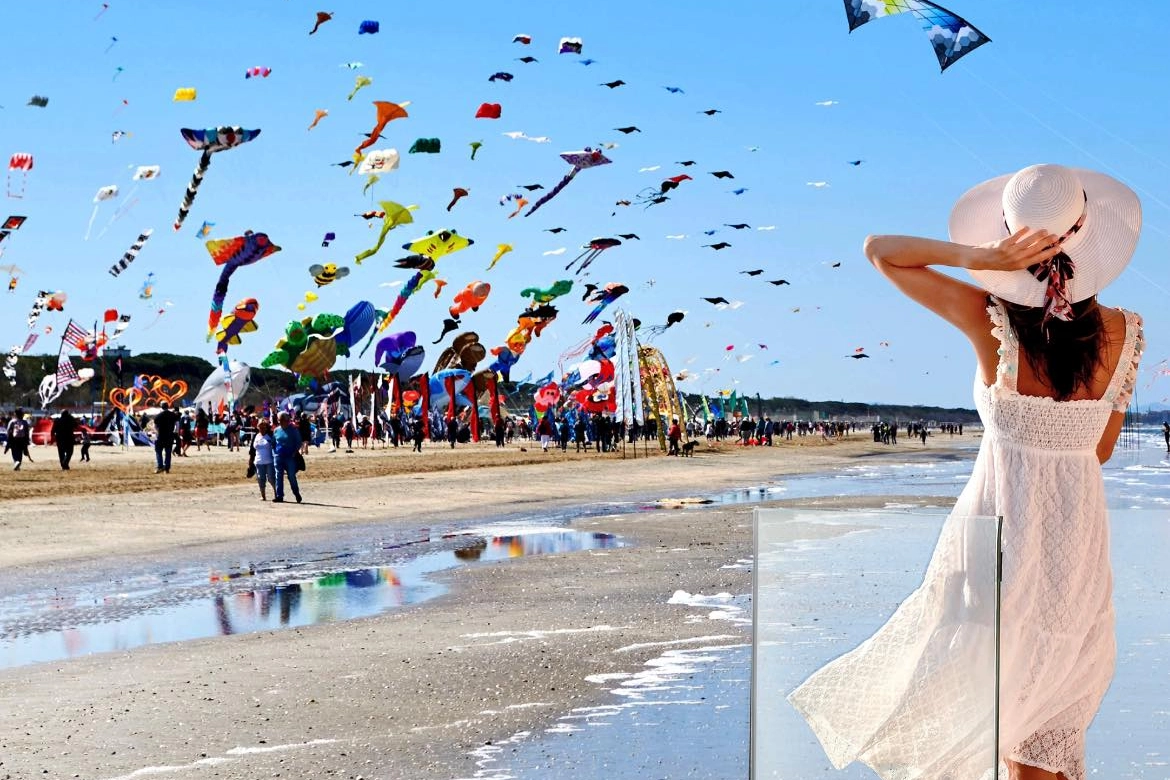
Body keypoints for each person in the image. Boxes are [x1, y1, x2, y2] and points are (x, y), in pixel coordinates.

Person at [788, 164, 1144, 780]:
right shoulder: (1126, 332)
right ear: (1087, 239)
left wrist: (980, 256)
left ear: (1013, 240)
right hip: (1075, 560)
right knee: (1045, 736)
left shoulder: (990, 320)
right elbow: (1101, 451)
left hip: (994, 546)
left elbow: (881, 252)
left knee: (991, 719)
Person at [273, 411, 302, 503]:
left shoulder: (293, 430)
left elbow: (298, 442)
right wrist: (275, 452)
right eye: (280, 420)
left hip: (290, 456)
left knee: (291, 476)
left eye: (284, 420)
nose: (282, 422)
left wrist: (294, 452)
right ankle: (279, 496)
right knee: (278, 476)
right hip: (279, 456)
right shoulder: (276, 430)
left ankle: (296, 493)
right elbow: (273, 442)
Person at [250, 419, 277, 500]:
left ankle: (277, 494)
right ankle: (263, 496)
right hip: (258, 461)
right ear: (258, 427)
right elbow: (252, 450)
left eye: (264, 426)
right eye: (260, 426)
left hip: (269, 461)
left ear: (266, 427)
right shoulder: (256, 436)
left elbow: (275, 447)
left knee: (271, 479)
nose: (262, 428)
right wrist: (250, 462)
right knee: (261, 479)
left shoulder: (270, 436)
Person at [153, 402, 179, 474]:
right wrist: (175, 432)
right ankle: (167, 468)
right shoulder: (173, 415)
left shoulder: (158, 416)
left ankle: (160, 466)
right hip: (169, 436)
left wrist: (157, 433)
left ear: (161, 407)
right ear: (168, 406)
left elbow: (155, 426)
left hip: (160, 436)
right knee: (168, 452)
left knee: (158, 452)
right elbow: (177, 424)